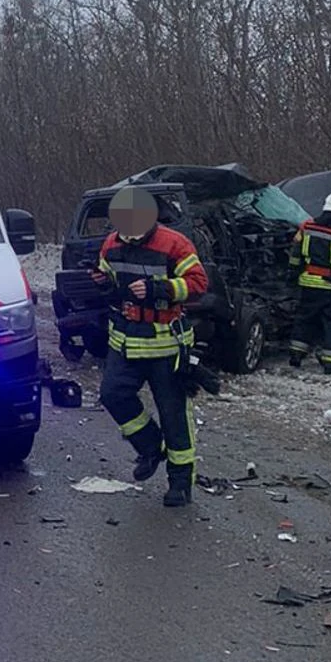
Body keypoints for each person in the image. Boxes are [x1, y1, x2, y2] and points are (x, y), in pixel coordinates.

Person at [94, 188, 209, 507]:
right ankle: (149, 446)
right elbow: (109, 280)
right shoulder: (111, 243)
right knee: (112, 395)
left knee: (174, 415)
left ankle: (180, 483)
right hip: (125, 341)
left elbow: (199, 284)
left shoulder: (174, 243)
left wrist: (160, 288)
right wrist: (103, 284)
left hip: (165, 345)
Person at [288, 191, 331, 372]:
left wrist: (292, 274)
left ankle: (296, 354)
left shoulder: (306, 226)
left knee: (304, 318)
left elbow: (295, 254)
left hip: (308, 281)